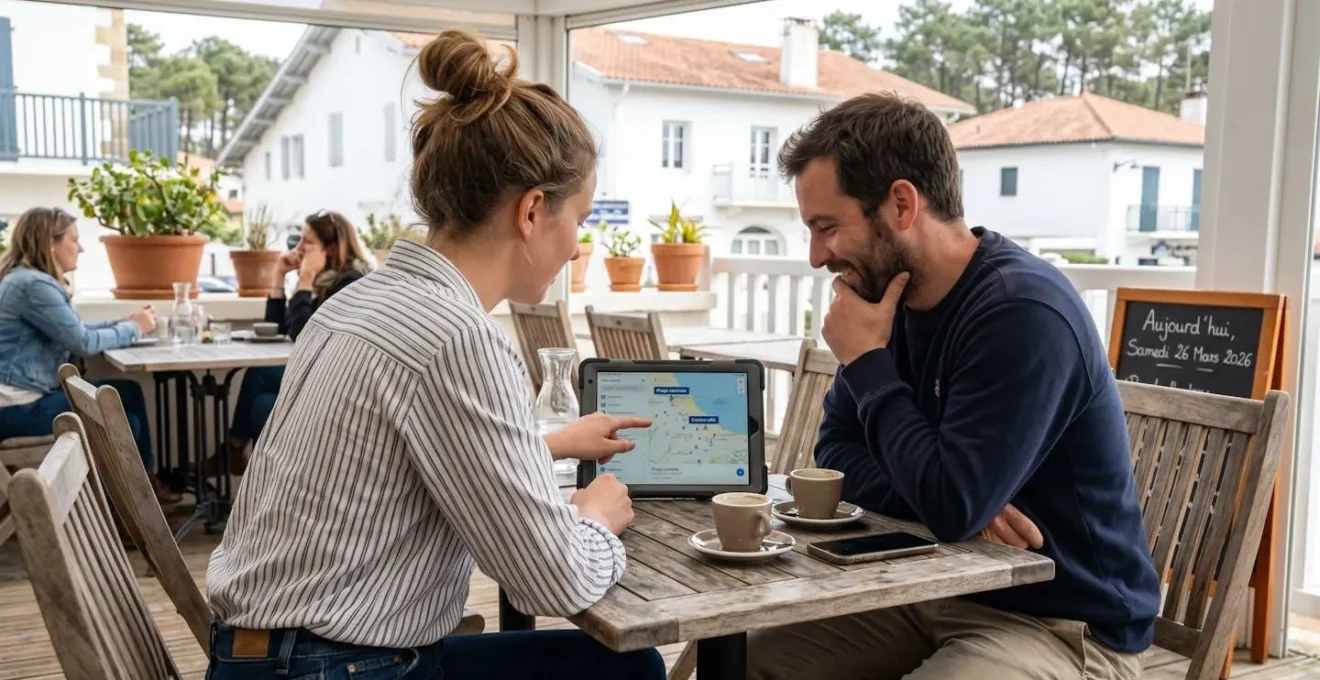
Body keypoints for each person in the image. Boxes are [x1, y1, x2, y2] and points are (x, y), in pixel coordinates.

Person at [204, 30, 664, 679]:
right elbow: (554, 582)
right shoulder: (459, 338)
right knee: (629, 667)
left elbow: (407, 456)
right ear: (533, 211)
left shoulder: (356, 302)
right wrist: (593, 518)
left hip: (265, 653)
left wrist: (551, 445)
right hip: (332, 666)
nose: (576, 250)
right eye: (579, 222)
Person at [745, 93, 1161, 680]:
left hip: (1064, 625)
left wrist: (868, 364)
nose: (817, 257)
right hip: (932, 588)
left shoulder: (1022, 314)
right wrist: (954, 499)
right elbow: (836, 456)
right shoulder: (886, 301)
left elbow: (951, 502)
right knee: (751, 660)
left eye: (827, 227)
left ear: (901, 204)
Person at [0, 207, 180, 504]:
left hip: (21, 402)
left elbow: (75, 329)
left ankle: (146, 488)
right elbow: (83, 342)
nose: (81, 248)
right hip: (16, 412)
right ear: (50, 243)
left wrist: (125, 323)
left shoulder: (24, 280)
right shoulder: (34, 286)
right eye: (74, 239)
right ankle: (130, 511)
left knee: (129, 393)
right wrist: (134, 328)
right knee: (124, 421)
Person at [210, 210, 372, 476]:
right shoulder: (323, 279)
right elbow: (278, 329)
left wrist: (305, 280)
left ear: (330, 248)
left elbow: (303, 336)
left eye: (306, 242)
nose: (297, 249)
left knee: (259, 382)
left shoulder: (350, 282)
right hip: (315, 374)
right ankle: (236, 455)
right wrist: (278, 276)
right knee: (261, 399)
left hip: (334, 382)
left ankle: (233, 452)